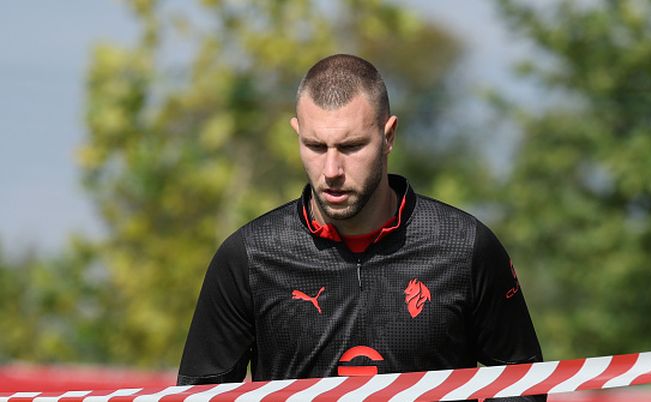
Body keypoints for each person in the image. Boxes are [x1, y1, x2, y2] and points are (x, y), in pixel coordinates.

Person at [177, 54, 545, 400]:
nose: (332, 170)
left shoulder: (465, 247)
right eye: (315, 146)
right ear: (297, 134)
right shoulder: (248, 257)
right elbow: (198, 395)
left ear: (388, 137)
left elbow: (525, 387)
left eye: (351, 146)